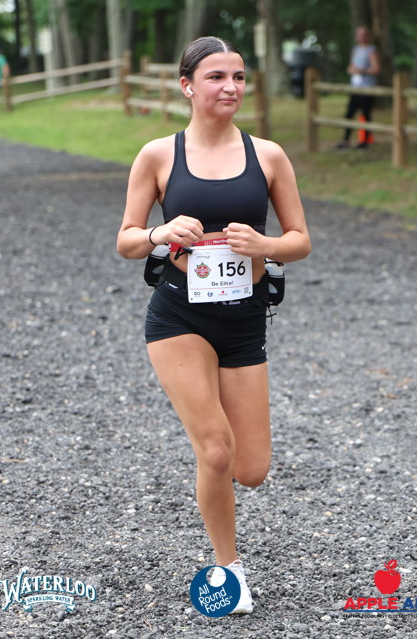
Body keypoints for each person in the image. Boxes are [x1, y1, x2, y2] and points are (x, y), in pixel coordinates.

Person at [116, 36, 311, 615]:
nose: (231, 87)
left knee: (251, 470)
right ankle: (229, 571)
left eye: (239, 77)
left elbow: (300, 240)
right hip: (179, 314)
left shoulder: (268, 156)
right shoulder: (158, 155)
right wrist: (159, 232)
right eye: (216, 77)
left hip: (245, 318)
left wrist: (266, 245)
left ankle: (216, 468)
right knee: (217, 449)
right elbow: (126, 240)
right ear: (187, 86)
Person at [337, 26, 380, 150]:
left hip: (366, 88)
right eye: (360, 34)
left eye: (364, 34)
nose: (362, 37)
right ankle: (346, 140)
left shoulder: (371, 51)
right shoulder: (355, 50)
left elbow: (376, 69)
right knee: (349, 113)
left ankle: (365, 141)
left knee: (365, 114)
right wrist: (351, 70)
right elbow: (351, 66)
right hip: (355, 88)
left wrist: (362, 71)